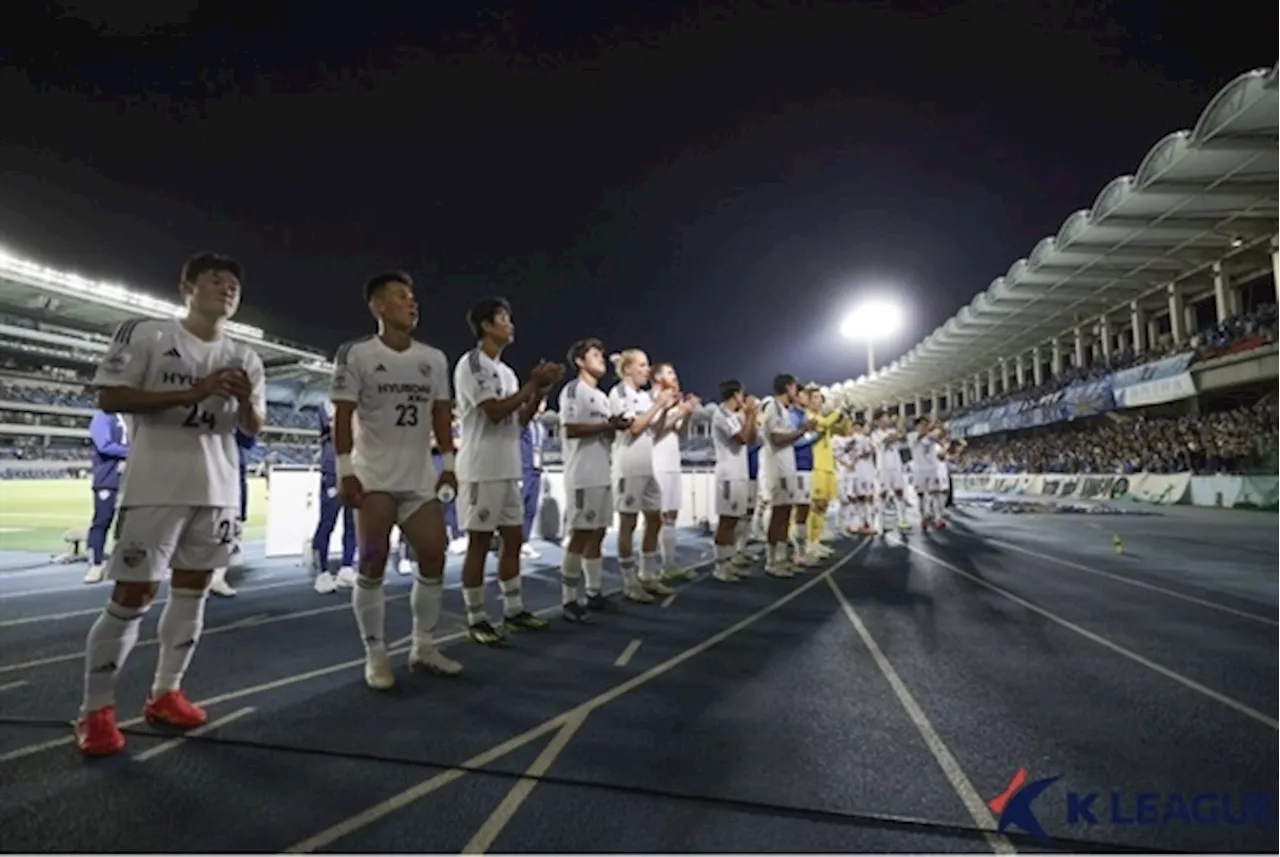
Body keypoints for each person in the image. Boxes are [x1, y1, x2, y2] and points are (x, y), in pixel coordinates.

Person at [74, 251, 265, 757]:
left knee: (193, 595)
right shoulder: (146, 334)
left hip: (218, 489)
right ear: (187, 285)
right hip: (156, 486)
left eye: (234, 285)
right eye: (216, 280)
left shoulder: (246, 356)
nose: (227, 289)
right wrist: (196, 391)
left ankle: (166, 693)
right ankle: (96, 710)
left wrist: (244, 401)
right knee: (131, 598)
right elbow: (110, 397)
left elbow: (252, 430)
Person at [330, 270, 462, 690]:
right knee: (371, 559)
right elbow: (344, 415)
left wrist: (450, 464)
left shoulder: (434, 358)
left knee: (434, 554)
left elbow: (442, 414)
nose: (412, 302)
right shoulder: (356, 354)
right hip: (374, 476)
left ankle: (423, 645)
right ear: (378, 306)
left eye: (413, 296)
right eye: (401, 296)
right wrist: (346, 471)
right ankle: (375, 653)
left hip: (419, 476)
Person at [453, 297, 562, 646]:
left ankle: (513, 609)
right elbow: (494, 411)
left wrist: (540, 391)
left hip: (507, 467)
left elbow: (517, 423)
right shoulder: (472, 364)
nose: (510, 324)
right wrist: (532, 385)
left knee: (514, 539)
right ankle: (476, 617)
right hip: (481, 468)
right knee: (480, 543)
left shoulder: (507, 372)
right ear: (486, 325)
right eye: (503, 318)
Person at [557, 338, 625, 622]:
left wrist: (616, 426)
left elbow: (605, 432)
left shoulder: (602, 396)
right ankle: (569, 599)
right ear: (580, 361)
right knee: (581, 534)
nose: (601, 359)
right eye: (595, 355)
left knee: (597, 533)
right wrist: (607, 425)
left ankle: (594, 592)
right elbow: (570, 428)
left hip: (602, 471)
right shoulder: (575, 390)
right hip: (583, 474)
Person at [608, 349, 678, 602]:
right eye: (642, 365)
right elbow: (634, 427)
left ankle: (648, 575)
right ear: (627, 369)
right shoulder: (618, 393)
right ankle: (629, 583)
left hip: (647, 466)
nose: (647, 370)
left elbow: (654, 431)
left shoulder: (645, 397)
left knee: (655, 519)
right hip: (628, 467)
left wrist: (664, 409)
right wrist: (658, 404)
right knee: (628, 524)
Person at [649, 362, 700, 583]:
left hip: (672, 461)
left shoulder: (673, 401)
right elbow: (654, 431)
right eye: (669, 372)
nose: (674, 376)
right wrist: (677, 411)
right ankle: (650, 568)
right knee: (657, 517)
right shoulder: (652, 399)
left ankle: (669, 564)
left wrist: (686, 413)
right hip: (657, 461)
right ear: (656, 377)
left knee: (671, 515)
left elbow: (682, 434)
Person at [762, 374, 814, 578]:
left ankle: (781, 558)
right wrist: (803, 430)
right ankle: (771, 560)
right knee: (779, 513)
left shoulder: (783, 410)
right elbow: (776, 437)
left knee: (784, 513)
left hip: (787, 466)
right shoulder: (772, 407)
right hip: (777, 468)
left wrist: (801, 431)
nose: (797, 391)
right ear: (787, 387)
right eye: (794, 387)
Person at [710, 380, 758, 582]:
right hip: (728, 475)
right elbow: (742, 438)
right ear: (736, 395)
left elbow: (753, 437)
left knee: (735, 519)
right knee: (726, 521)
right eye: (742, 395)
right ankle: (720, 566)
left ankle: (729, 562)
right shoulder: (721, 415)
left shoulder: (738, 415)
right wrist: (750, 415)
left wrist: (750, 418)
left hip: (740, 473)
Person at [312, 401, 358, 594]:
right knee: (327, 520)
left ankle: (347, 567)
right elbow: (337, 426)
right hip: (333, 466)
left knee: (352, 521)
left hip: (355, 462)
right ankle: (321, 572)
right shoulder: (326, 403)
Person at [208, 427, 255, 597]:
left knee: (230, 526)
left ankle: (217, 577)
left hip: (234, 469)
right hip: (208, 465)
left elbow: (250, 439)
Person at [84, 410, 128, 585]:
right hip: (108, 479)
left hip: (131, 479)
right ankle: (95, 564)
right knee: (102, 521)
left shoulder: (131, 416)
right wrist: (134, 452)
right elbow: (104, 445)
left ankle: (122, 564)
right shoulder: (103, 416)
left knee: (128, 525)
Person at [804, 387, 848, 554]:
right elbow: (824, 424)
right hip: (816, 466)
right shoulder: (809, 416)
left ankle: (816, 540)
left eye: (820, 398)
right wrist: (836, 410)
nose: (819, 401)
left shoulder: (823, 417)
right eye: (815, 398)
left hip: (828, 465)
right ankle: (808, 542)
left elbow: (843, 431)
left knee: (824, 505)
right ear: (807, 400)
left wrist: (843, 414)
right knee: (815, 505)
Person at [870, 411, 911, 532]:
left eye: (887, 418)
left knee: (899, 492)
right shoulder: (875, 434)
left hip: (896, 465)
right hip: (883, 467)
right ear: (877, 421)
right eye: (883, 418)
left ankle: (902, 520)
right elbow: (887, 440)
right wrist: (897, 430)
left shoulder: (892, 431)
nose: (886, 420)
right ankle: (880, 523)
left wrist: (901, 426)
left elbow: (903, 438)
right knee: (882, 494)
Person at [519, 401, 547, 559]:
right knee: (519, 506)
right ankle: (512, 543)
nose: (542, 405)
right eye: (540, 402)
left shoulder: (540, 425)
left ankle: (525, 541)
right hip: (524, 468)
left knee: (531, 507)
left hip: (536, 469)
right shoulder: (524, 424)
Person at [910, 416, 943, 530]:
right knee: (921, 496)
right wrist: (930, 429)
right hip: (919, 470)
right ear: (917, 426)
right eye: (922, 425)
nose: (924, 427)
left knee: (935, 493)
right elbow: (920, 437)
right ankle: (923, 517)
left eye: (926, 424)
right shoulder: (912, 436)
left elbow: (941, 437)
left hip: (932, 469)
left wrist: (939, 428)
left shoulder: (930, 436)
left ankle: (938, 518)